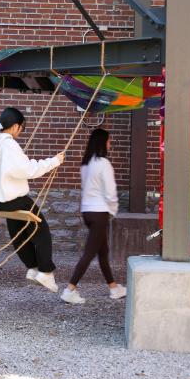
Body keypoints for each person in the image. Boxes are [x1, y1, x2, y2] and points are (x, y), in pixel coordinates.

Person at [0, 107, 64, 292]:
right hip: (12, 199)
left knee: (18, 230)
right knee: (41, 230)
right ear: (16, 126)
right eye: (21, 128)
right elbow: (27, 170)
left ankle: (33, 268)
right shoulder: (8, 144)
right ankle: (46, 272)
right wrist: (54, 161)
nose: (20, 133)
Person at [61, 128, 126, 304]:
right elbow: (111, 192)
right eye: (108, 140)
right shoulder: (103, 163)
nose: (109, 144)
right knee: (89, 253)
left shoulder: (86, 164)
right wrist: (113, 210)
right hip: (100, 213)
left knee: (103, 251)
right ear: (102, 142)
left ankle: (114, 288)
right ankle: (69, 290)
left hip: (87, 212)